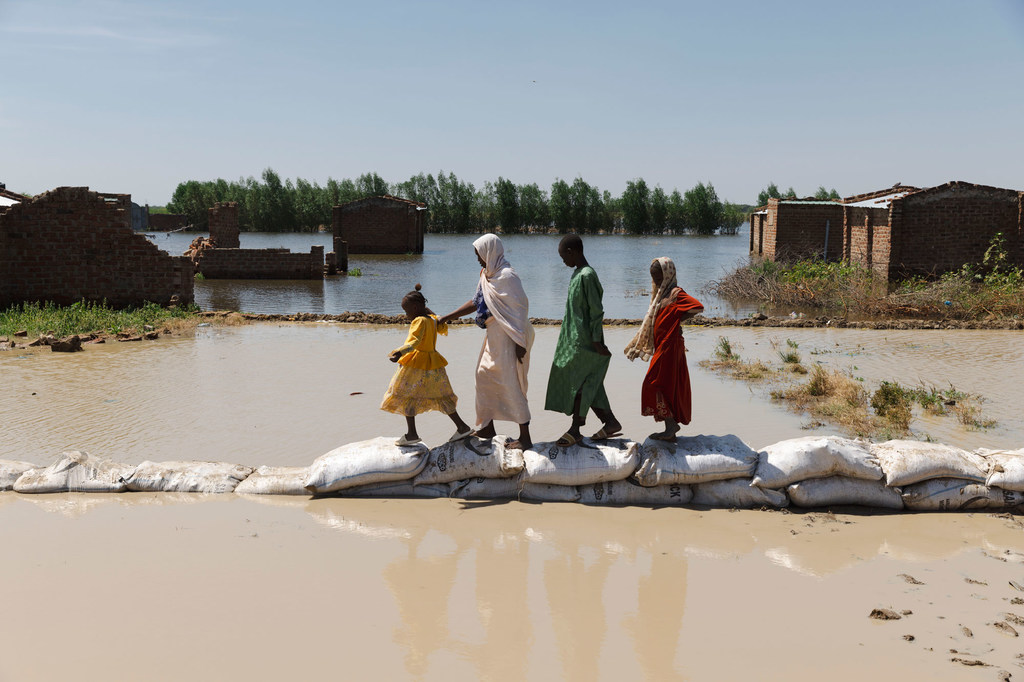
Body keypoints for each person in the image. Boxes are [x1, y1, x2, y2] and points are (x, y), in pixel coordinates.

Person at [439, 234, 534, 450]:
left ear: (490, 252)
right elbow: (476, 302)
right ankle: (486, 427)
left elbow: (520, 309)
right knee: (483, 376)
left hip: (510, 336)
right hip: (493, 333)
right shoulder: (487, 275)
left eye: (480, 255)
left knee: (511, 383)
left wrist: (520, 343)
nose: (478, 260)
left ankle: (525, 437)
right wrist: (447, 317)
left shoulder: (508, 276)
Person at [545, 234, 622, 447]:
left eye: (563, 257)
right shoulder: (577, 273)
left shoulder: (587, 275)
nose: (563, 262)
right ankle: (611, 422)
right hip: (573, 339)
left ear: (572, 252)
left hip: (587, 341)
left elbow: (596, 311)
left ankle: (576, 429)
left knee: (579, 383)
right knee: (591, 383)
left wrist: (597, 341)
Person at [624, 257, 704, 441]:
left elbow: (697, 307)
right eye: (655, 279)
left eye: (659, 278)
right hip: (663, 345)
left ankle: (671, 425)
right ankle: (670, 427)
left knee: (653, 382)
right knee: (666, 385)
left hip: (671, 345)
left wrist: (677, 320)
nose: (657, 282)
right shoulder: (660, 294)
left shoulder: (676, 293)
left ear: (668, 275)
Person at [381, 284, 472, 446]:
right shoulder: (432, 320)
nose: (406, 314)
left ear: (415, 308)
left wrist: (399, 352)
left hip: (415, 364)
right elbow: (438, 322)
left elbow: (414, 342)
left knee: (406, 395)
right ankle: (462, 427)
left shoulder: (418, 321)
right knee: (442, 396)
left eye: (407, 310)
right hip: (434, 365)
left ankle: (412, 434)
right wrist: (427, 311)